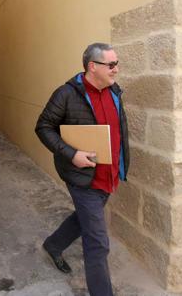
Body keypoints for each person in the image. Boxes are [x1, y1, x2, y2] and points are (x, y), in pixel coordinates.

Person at [35, 43, 130, 296]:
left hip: (109, 176)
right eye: (111, 65)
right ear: (92, 66)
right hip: (82, 178)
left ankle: (53, 245)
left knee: (85, 219)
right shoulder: (66, 94)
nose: (116, 69)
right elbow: (44, 127)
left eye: (116, 64)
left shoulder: (114, 92)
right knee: (97, 242)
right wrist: (72, 154)